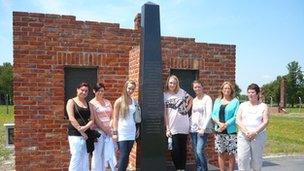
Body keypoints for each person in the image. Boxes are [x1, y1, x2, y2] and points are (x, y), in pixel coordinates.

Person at [236, 83, 269, 171]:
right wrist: (246, 132)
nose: (250, 94)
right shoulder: (242, 105)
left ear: (257, 94)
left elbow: (265, 121)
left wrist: (255, 132)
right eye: (249, 92)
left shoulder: (263, 106)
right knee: (242, 159)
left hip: (258, 136)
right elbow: (238, 120)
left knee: (256, 161)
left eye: (253, 92)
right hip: (243, 135)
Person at [164, 75, 192, 171]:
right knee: (174, 150)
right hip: (172, 126)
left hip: (184, 124)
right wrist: (167, 128)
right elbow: (165, 114)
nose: (173, 85)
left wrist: (187, 109)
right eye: (171, 83)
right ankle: (178, 168)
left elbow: (191, 99)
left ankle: (182, 168)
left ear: (177, 84)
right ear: (168, 83)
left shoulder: (182, 92)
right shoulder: (165, 95)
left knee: (183, 148)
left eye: (175, 83)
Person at [66, 82, 94, 171]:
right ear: (77, 90)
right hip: (75, 134)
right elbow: (71, 117)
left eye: (86, 91)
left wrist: (85, 128)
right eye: (82, 90)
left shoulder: (89, 104)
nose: (84, 92)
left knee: (85, 157)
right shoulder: (71, 101)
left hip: (87, 133)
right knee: (76, 156)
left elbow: (92, 119)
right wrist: (81, 131)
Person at [211, 81, 239, 171]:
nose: (227, 90)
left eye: (228, 88)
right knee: (220, 153)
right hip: (219, 130)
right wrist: (219, 124)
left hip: (230, 131)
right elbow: (213, 114)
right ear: (222, 90)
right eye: (225, 88)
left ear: (231, 90)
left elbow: (236, 116)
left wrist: (226, 124)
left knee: (231, 154)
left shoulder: (235, 101)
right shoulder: (217, 101)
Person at [112, 80, 140, 171]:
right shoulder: (119, 101)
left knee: (127, 155)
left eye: (132, 89)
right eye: (129, 88)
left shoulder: (134, 101)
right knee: (123, 156)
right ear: (125, 88)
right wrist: (115, 132)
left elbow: (135, 117)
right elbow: (115, 118)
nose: (130, 91)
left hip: (131, 130)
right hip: (122, 131)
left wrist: (137, 129)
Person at [90, 83, 117, 171]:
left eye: (102, 91)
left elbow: (112, 116)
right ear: (94, 91)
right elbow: (96, 120)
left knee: (106, 154)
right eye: (98, 91)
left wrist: (111, 128)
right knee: (97, 155)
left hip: (109, 131)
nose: (100, 93)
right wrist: (106, 130)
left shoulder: (107, 102)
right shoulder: (91, 103)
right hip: (99, 132)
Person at [190, 80, 213, 171]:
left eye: (199, 86)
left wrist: (203, 128)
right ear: (193, 88)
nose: (197, 88)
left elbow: (209, 114)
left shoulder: (207, 98)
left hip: (203, 129)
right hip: (193, 129)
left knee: (199, 151)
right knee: (196, 152)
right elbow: (193, 114)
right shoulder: (194, 100)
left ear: (202, 87)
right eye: (195, 87)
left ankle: (204, 169)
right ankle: (198, 169)